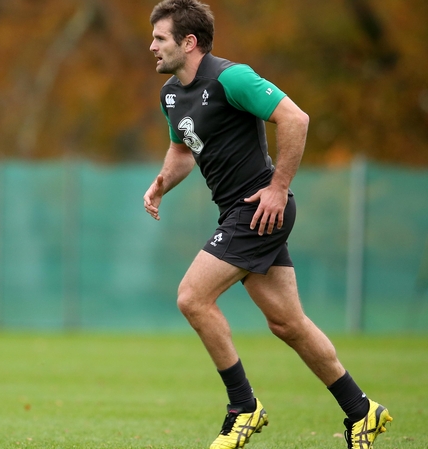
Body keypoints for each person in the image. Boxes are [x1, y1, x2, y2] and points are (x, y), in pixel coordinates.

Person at [142, 1, 391, 448]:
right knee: (288, 324)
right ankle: (362, 411)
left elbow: (295, 118)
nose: (152, 46)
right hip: (239, 213)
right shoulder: (170, 95)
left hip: (258, 207)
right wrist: (161, 184)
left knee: (192, 298)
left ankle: (243, 407)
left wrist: (279, 187)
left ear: (189, 42)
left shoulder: (230, 78)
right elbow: (183, 149)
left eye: (160, 38)